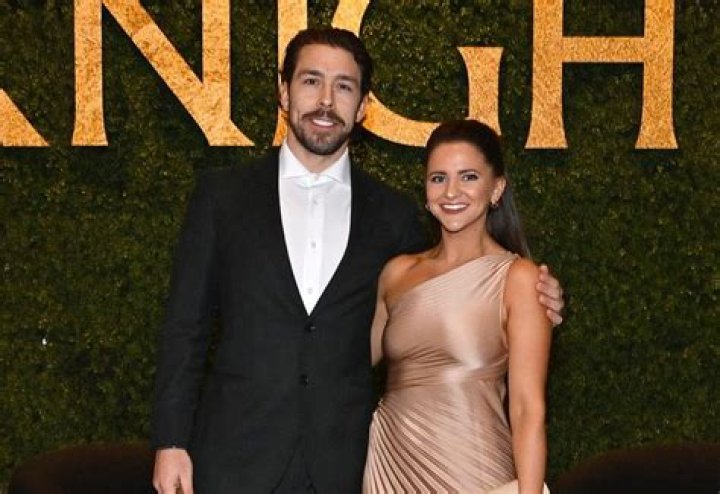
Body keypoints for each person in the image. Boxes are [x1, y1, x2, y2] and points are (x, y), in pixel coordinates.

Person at [151, 28, 563, 494]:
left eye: (344, 86)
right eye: (311, 81)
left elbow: (439, 308)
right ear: (284, 92)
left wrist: (538, 299)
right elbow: (184, 328)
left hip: (346, 465)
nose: (326, 100)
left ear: (363, 105)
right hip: (234, 457)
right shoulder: (221, 197)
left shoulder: (393, 216)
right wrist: (170, 441)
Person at [363, 119, 553, 493]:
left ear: (496, 188)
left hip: (470, 469)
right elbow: (344, 369)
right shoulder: (396, 274)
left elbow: (527, 409)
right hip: (389, 466)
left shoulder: (519, 279)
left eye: (468, 177)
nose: (451, 191)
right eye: (438, 178)